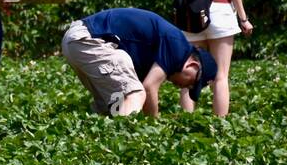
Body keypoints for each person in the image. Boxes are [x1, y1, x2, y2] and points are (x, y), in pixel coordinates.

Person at [61, 7, 217, 117]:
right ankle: (125, 145)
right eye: (192, 83)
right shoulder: (178, 46)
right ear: (193, 66)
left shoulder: (160, 55)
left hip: (76, 42)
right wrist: (153, 130)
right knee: (136, 93)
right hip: (88, 40)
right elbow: (149, 88)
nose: (185, 87)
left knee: (113, 106)